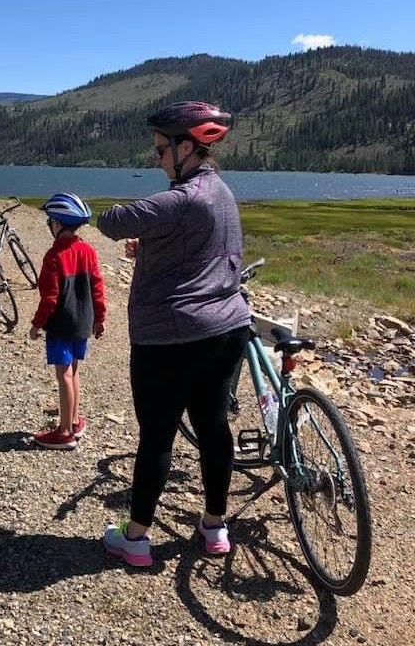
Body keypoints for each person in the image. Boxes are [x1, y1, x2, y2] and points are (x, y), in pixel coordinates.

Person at [97, 101, 251, 565]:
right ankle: (215, 527)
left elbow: (111, 220)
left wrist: (130, 223)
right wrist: (150, 246)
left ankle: (137, 537)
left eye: (162, 149)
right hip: (227, 328)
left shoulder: (181, 197)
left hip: (170, 338)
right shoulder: (221, 191)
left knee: (157, 436)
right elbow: (197, 248)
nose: (157, 158)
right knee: (214, 428)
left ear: (187, 147)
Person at [29, 193, 106, 450]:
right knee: (74, 371)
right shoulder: (87, 250)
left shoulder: (53, 256)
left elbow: (49, 298)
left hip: (62, 324)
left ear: (58, 223)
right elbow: (97, 286)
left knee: (64, 375)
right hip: (84, 321)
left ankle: (64, 433)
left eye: (49, 221)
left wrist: (36, 324)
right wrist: (100, 318)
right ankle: (74, 421)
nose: (49, 225)